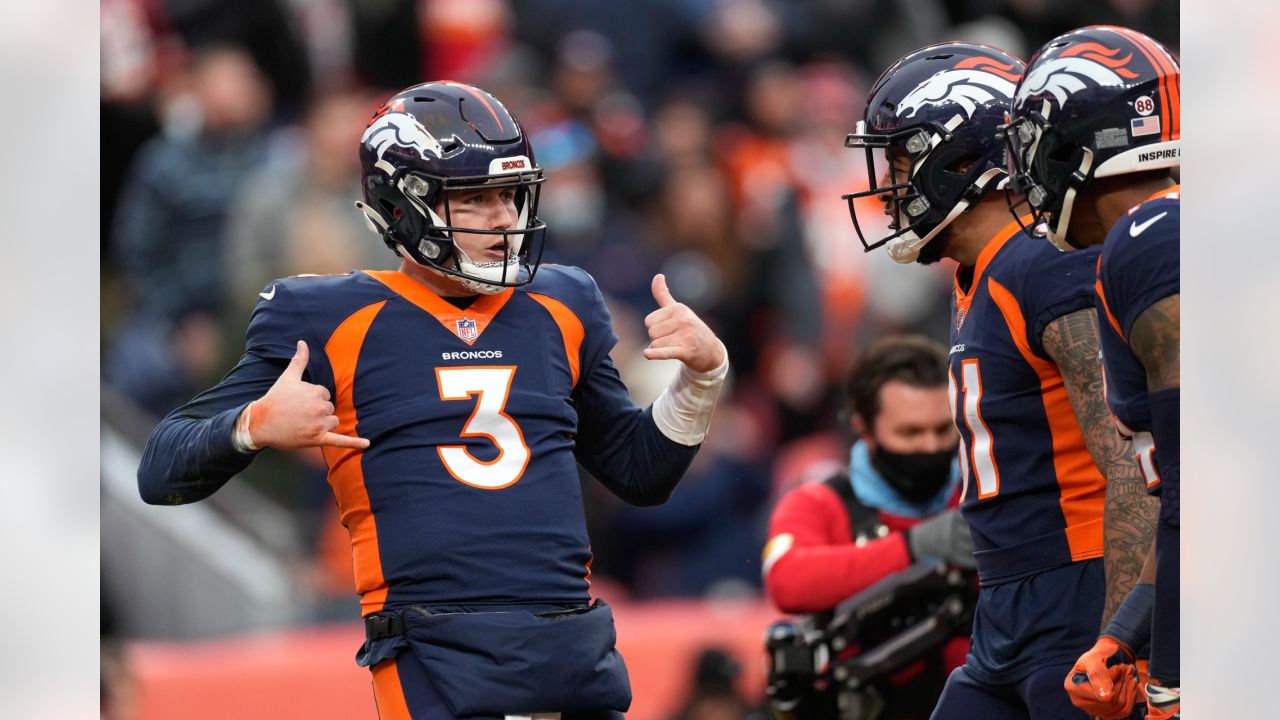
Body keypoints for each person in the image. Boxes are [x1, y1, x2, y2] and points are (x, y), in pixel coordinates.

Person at [136, 80, 730, 720]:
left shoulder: (562, 303)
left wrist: (700, 380)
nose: (505, 218)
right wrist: (250, 425)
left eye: (509, 194)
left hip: (568, 636)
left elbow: (639, 474)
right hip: (434, 646)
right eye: (475, 199)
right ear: (402, 207)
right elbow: (159, 470)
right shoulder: (326, 315)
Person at [841, 42, 1154, 719]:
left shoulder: (1041, 265)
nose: (890, 189)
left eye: (900, 163)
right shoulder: (976, 275)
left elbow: (1130, 463)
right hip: (1006, 607)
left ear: (960, 160)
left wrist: (1124, 637)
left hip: (1077, 595)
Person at [1002, 25, 1180, 719]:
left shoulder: (1152, 237)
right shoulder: (1154, 236)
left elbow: (1208, 486)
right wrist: (1122, 636)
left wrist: (1171, 672)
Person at [762, 334, 972, 718]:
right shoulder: (818, 503)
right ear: (864, 427)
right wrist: (914, 547)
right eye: (910, 433)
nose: (929, 446)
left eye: (943, 430)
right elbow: (786, 579)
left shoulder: (980, 491)